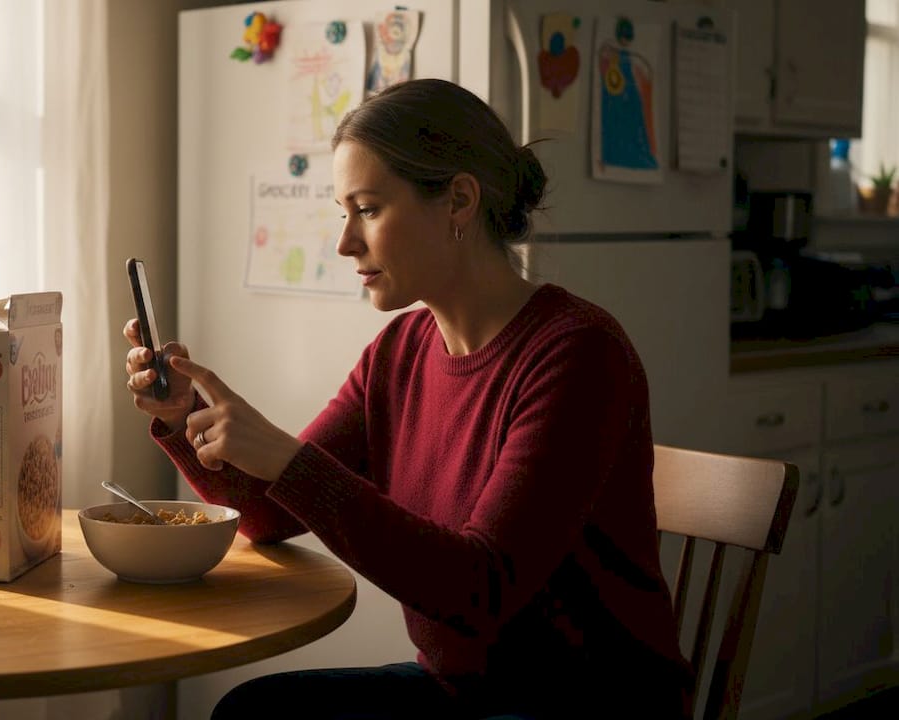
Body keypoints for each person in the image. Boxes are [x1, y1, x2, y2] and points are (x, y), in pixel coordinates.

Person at [122, 78, 692, 719]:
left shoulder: (579, 355)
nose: (345, 243)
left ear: (458, 201)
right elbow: (270, 516)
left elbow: (481, 589)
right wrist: (185, 422)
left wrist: (287, 460)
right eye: (344, 212)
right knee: (253, 711)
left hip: (587, 703)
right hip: (463, 693)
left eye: (367, 209)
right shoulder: (400, 351)